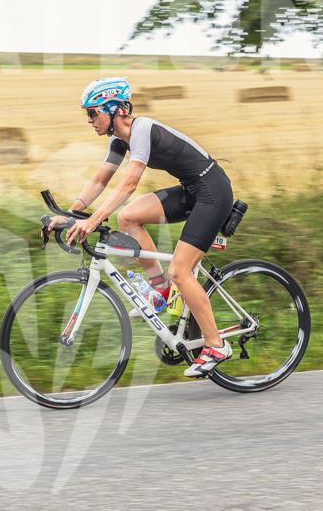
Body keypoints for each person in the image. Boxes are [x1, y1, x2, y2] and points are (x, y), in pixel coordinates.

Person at [48, 77, 235, 377]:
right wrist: (70, 214)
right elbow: (100, 180)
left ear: (115, 110)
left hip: (213, 192)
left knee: (180, 271)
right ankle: (160, 289)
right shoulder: (118, 141)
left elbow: (129, 184)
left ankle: (216, 345)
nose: (89, 120)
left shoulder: (142, 130)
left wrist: (92, 221)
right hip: (192, 190)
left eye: (93, 113)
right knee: (128, 217)